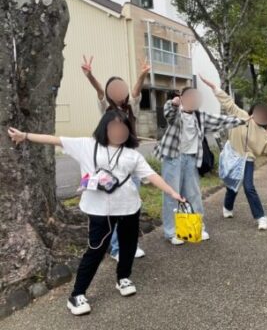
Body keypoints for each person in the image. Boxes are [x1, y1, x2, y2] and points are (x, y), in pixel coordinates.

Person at [7, 111, 185, 316]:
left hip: (129, 207)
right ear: (104, 128)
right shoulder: (87, 145)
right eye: (114, 127)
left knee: (128, 246)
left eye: (123, 128)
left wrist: (173, 193)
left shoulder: (132, 154)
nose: (119, 131)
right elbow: (55, 140)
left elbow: (152, 175)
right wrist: (25, 136)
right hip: (99, 210)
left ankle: (123, 278)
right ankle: (77, 294)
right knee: (96, 250)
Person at [155, 86, 246, 245]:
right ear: (182, 99)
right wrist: (173, 103)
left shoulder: (200, 116)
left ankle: (196, 227)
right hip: (173, 159)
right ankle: (171, 232)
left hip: (191, 159)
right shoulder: (176, 114)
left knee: (194, 195)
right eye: (189, 97)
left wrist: (242, 120)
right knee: (172, 195)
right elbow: (168, 112)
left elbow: (220, 120)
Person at [81, 55, 151, 261]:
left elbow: (136, 92)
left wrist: (143, 75)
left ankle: (129, 245)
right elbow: (99, 91)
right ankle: (115, 248)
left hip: (130, 163)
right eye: (114, 88)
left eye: (122, 87)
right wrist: (90, 76)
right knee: (113, 207)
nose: (118, 90)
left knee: (131, 205)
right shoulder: (106, 108)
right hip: (110, 165)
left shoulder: (132, 107)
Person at [200, 77, 267, 230]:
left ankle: (261, 217)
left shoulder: (263, 132)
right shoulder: (241, 115)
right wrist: (215, 88)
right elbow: (228, 102)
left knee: (248, 187)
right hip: (232, 156)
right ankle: (227, 207)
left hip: (247, 160)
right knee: (232, 184)